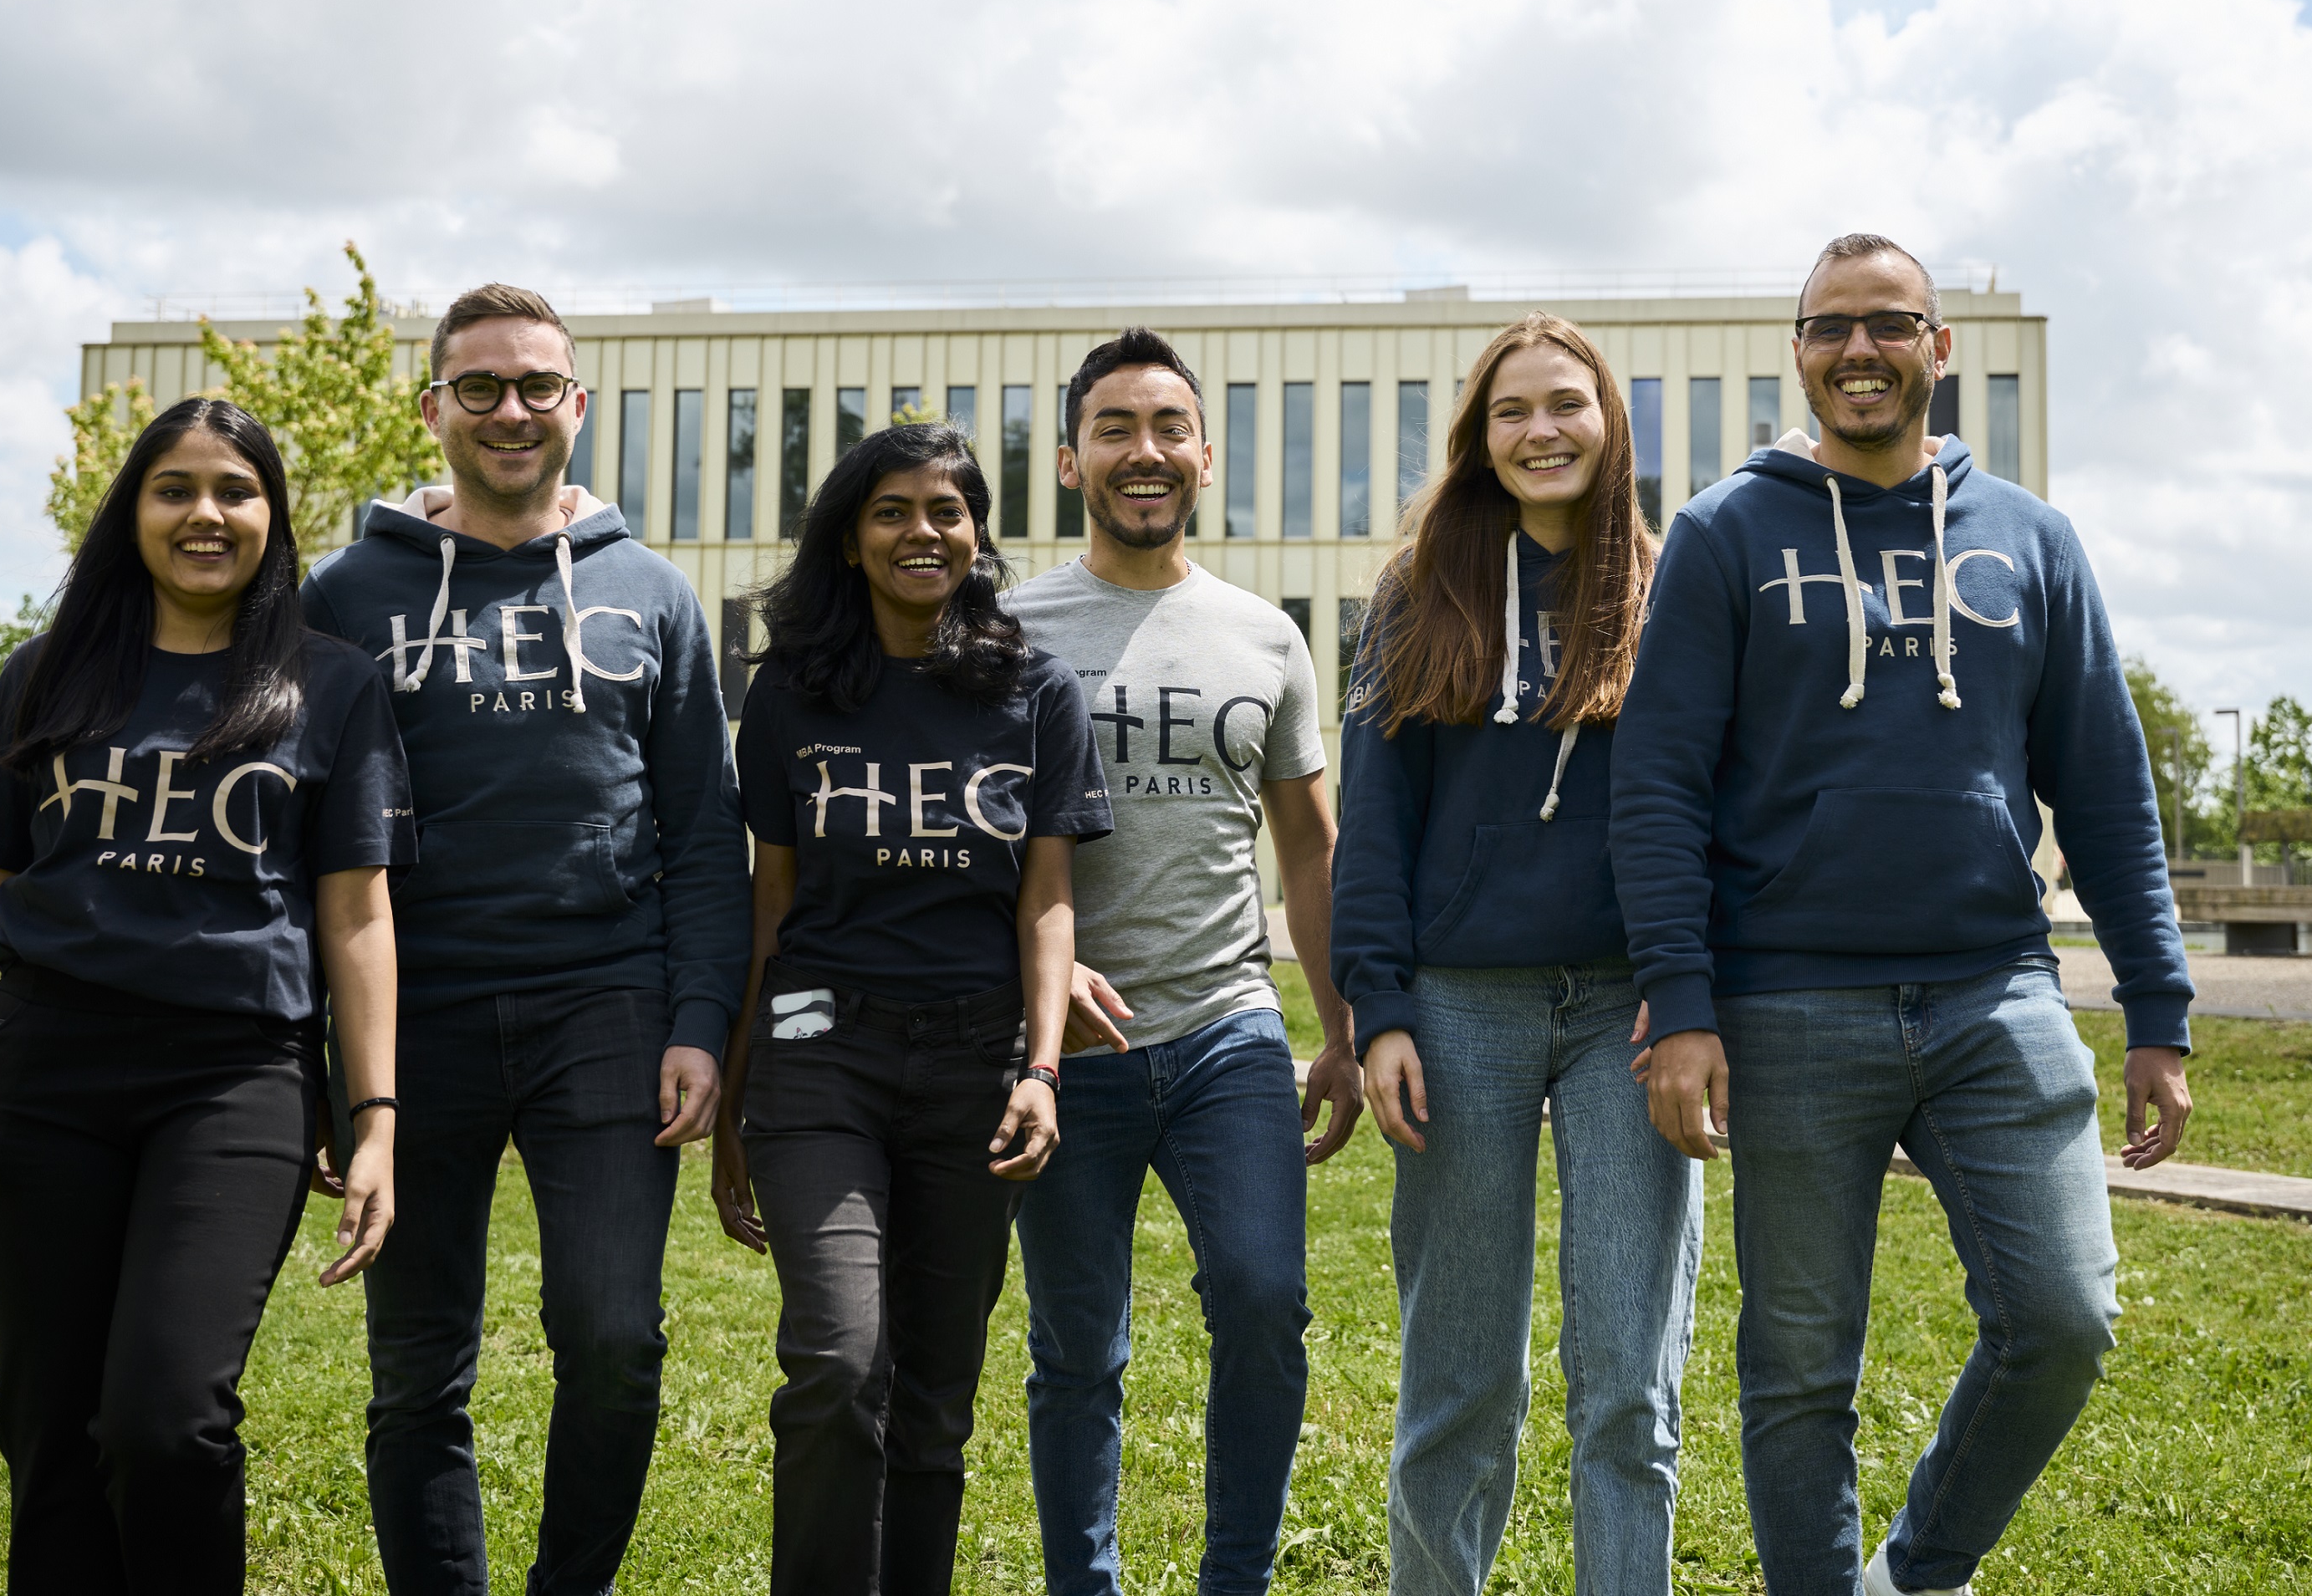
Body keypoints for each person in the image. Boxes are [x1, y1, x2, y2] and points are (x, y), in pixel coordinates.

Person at [1611, 234, 2196, 1596]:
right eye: (1828, 328)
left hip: (1998, 988)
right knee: (1800, 1365)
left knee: (2062, 1316)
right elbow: (1657, 788)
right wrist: (1681, 1002)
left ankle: (1916, 1573)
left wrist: (2156, 1009)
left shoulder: (2031, 539)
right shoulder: (1723, 533)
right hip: (1787, 1000)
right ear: (1798, 351)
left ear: (1940, 348)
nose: (1857, 350)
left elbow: (2104, 786)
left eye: (1889, 324)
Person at [0, 397, 411, 1594]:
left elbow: (355, 915)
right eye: (174, 488)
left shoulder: (330, 686)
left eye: (236, 491)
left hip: (235, 1079)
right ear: (131, 513)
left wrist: (375, 1116)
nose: (206, 514)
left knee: (167, 1418)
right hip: (44, 1076)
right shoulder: (47, 677)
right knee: (51, 1437)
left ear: (272, 518)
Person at [299, 284, 750, 1596]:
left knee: (614, 1336)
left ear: (579, 406)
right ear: (433, 406)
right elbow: (299, 841)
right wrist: (316, 1052)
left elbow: (702, 834)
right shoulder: (346, 594)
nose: (509, 411)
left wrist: (697, 1020)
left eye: (536, 386)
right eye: (480, 387)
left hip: (603, 1007)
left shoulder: (653, 594)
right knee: (417, 1364)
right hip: (409, 1015)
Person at [1333, 312, 1701, 1595]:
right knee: (1459, 1380)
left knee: (1626, 1386)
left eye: (1566, 404)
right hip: (1456, 1011)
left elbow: (1719, 812)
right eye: (1510, 411)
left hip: (1630, 1015)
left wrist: (1695, 999)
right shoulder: (1415, 592)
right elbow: (1370, 823)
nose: (1539, 429)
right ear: (1479, 440)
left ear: (1610, 423)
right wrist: (1374, 1008)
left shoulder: (1676, 585)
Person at [708, 422, 1104, 1595]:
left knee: (933, 1397)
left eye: (946, 509)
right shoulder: (789, 689)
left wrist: (1040, 1071)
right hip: (819, 1049)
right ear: (847, 536)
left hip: (975, 1063)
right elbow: (768, 901)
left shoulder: (1033, 688)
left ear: (977, 534)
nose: (920, 532)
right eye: (890, 509)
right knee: (839, 1360)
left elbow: (1046, 905)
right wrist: (737, 1100)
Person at [1004, 327, 1363, 1596]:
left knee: (1265, 1306)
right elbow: (958, 835)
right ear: (1068, 459)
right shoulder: (1002, 627)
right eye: (1114, 428)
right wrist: (1028, 1004)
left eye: (1167, 428)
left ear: (1204, 456)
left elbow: (1308, 850)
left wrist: (1339, 1027)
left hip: (1225, 1033)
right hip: (1063, 1049)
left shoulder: (1262, 636)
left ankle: (1236, 1581)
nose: (1142, 451)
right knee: (1074, 1351)